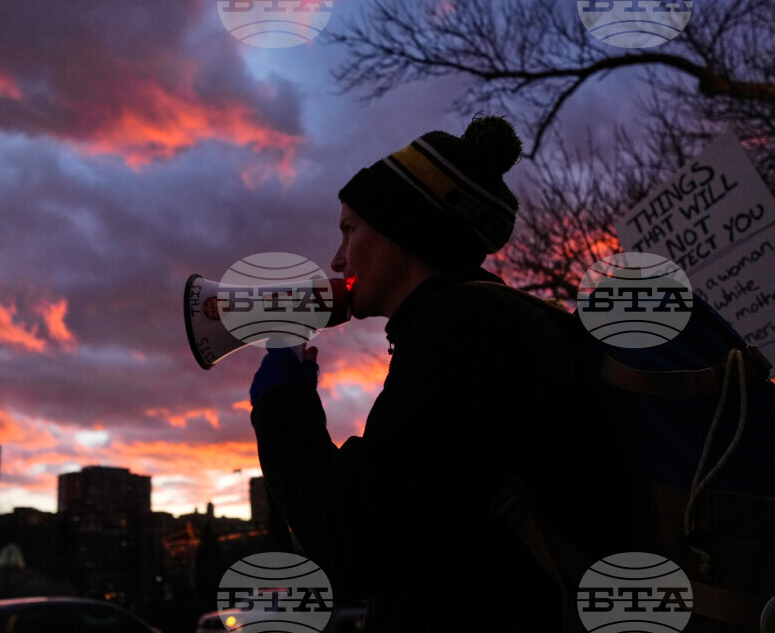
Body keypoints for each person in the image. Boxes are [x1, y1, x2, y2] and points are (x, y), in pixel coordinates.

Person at [248, 116, 628, 631]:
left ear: (402, 227)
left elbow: (352, 538)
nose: (337, 260)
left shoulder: (463, 330)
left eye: (349, 229)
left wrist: (282, 404)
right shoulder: (487, 321)